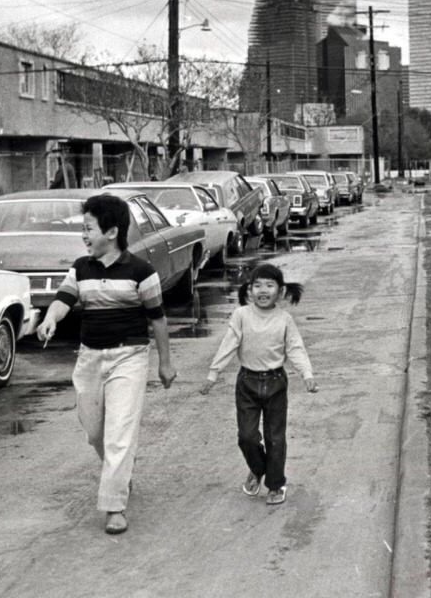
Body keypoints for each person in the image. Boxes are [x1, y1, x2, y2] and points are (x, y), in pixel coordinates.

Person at [36, 194, 176, 535]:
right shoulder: (81, 267)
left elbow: (157, 320)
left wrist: (165, 364)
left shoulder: (142, 272)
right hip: (89, 358)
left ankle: (115, 507)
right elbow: (64, 299)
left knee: (118, 434)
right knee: (94, 431)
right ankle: (121, 471)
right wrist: (50, 319)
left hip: (129, 357)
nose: (84, 236)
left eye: (88, 229)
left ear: (111, 231)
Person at [199, 263, 316, 506]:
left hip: (275, 383)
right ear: (249, 290)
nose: (263, 290)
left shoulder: (284, 319)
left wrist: (307, 374)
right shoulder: (241, 315)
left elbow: (295, 348)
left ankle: (276, 484)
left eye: (270, 285)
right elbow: (229, 344)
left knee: (275, 438)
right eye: (257, 285)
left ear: (280, 291)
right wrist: (213, 373)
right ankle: (258, 468)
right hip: (247, 383)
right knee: (247, 437)